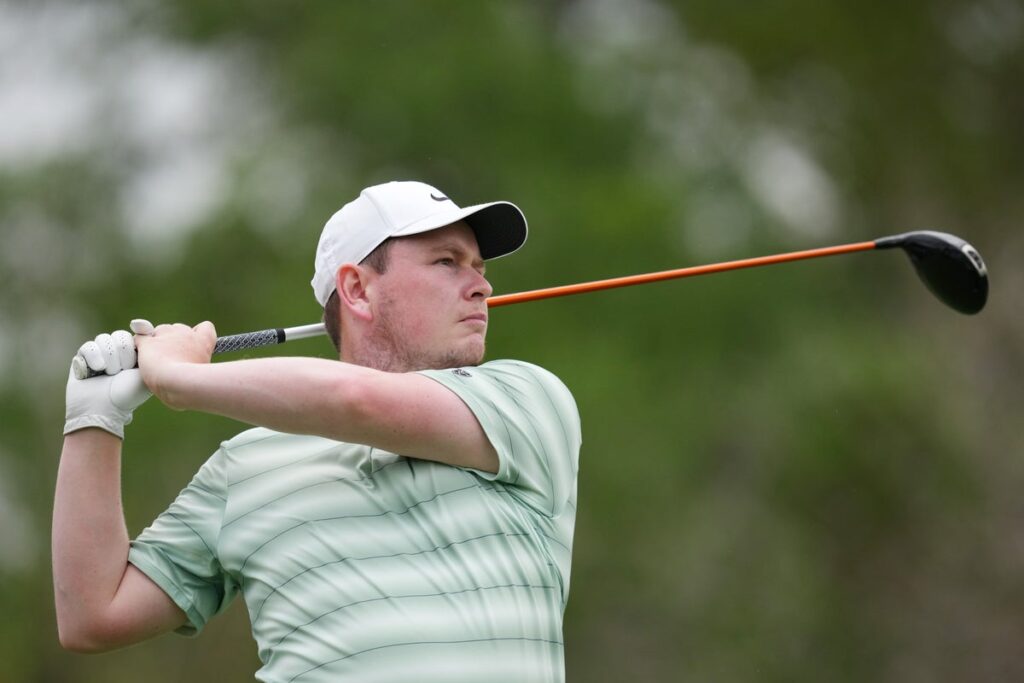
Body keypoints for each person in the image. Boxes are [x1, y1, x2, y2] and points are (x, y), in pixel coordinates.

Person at [53, 181, 582, 682]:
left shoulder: (525, 400)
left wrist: (178, 376)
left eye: (479, 267)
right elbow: (93, 615)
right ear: (356, 289)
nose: (481, 285)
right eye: (448, 262)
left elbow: (357, 400)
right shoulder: (245, 465)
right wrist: (94, 420)